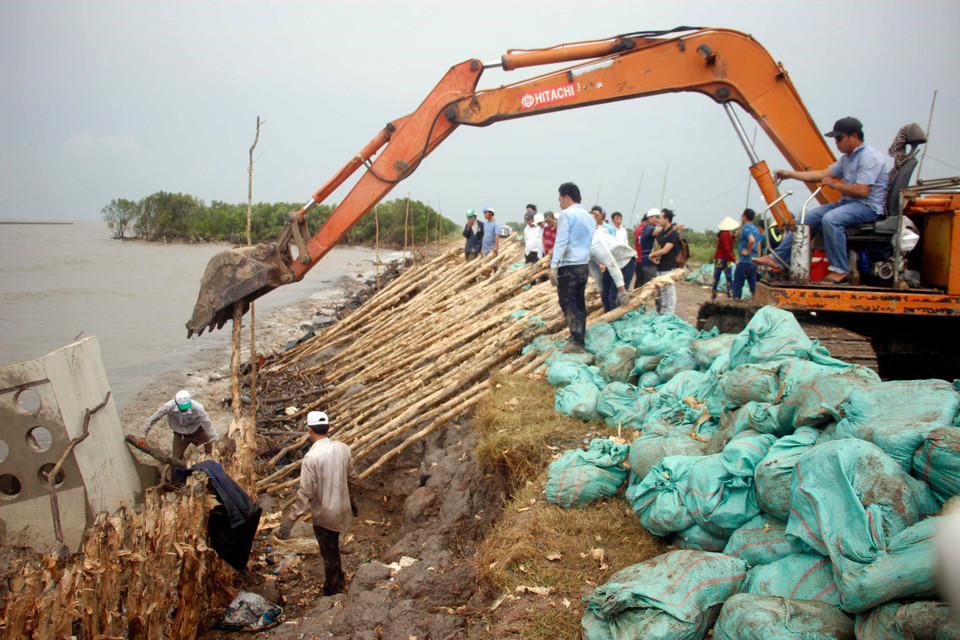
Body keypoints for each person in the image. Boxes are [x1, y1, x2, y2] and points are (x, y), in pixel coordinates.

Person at [753, 116, 888, 284]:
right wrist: (790, 174)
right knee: (807, 218)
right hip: (848, 204)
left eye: (839, 138)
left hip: (867, 207)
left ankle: (839, 269)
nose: (836, 143)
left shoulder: (870, 158)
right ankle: (778, 258)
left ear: (854, 136)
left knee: (831, 219)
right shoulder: (848, 158)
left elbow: (862, 190)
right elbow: (822, 174)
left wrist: (835, 185)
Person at [277, 411, 358, 596]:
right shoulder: (343, 448)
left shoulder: (311, 458)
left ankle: (332, 589)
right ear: (328, 427)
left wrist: (290, 521)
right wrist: (353, 501)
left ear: (309, 430)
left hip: (324, 514)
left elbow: (305, 493)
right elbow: (352, 478)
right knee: (334, 545)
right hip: (342, 508)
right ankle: (340, 578)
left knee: (328, 552)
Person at [550, 182, 597, 352]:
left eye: (560, 199)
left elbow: (561, 241)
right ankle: (579, 336)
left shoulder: (566, 215)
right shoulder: (589, 217)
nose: (560, 203)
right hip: (583, 265)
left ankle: (577, 341)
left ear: (567, 197)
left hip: (569, 266)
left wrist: (554, 266)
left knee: (567, 302)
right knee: (579, 302)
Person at [138, 390, 217, 462]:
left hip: (198, 432)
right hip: (180, 436)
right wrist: (143, 436)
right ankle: (176, 477)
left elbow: (208, 425)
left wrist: (215, 439)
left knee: (212, 451)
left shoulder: (198, 408)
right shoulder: (168, 407)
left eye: (186, 406)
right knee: (175, 460)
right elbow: (152, 419)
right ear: (176, 403)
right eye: (182, 407)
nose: (184, 409)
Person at [589, 229, 636, 312]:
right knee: (605, 297)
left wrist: (621, 290)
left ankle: (619, 322)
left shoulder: (594, 245)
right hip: (612, 263)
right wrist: (602, 293)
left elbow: (611, 264)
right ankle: (608, 321)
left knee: (614, 298)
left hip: (625, 261)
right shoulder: (585, 253)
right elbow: (596, 272)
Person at [648, 209, 681, 315]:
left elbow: (665, 250)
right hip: (660, 265)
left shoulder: (673, 233)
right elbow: (656, 246)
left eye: (660, 217)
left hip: (669, 265)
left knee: (669, 290)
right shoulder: (661, 233)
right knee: (662, 290)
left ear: (667, 219)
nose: (658, 220)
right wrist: (653, 255)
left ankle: (670, 312)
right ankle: (663, 311)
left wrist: (652, 255)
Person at [732, 208, 762, 298]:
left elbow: (751, 240)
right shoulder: (756, 230)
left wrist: (748, 251)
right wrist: (759, 260)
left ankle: (736, 304)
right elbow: (759, 244)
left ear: (744, 217)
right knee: (753, 287)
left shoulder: (746, 228)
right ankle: (754, 303)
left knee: (737, 285)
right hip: (754, 262)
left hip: (745, 261)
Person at [634, 208, 662, 288]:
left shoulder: (649, 227)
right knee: (655, 285)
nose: (658, 219)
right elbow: (656, 232)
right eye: (657, 217)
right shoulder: (648, 228)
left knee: (644, 285)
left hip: (646, 261)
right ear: (650, 218)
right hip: (648, 262)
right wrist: (668, 227)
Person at [713, 216, 739, 299]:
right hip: (722, 259)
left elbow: (729, 245)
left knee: (719, 278)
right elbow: (727, 249)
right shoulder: (725, 234)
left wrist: (734, 237)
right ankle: (727, 296)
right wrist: (734, 260)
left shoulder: (726, 234)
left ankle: (716, 296)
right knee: (727, 278)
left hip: (723, 259)